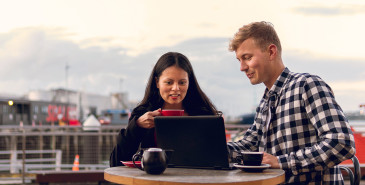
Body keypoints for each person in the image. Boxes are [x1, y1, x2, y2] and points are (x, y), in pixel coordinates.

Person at [227, 21, 355, 184]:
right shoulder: (266, 102)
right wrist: (211, 150)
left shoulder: (307, 85)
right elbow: (249, 146)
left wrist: (281, 163)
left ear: (271, 52)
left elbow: (342, 143)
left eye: (247, 58)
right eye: (239, 60)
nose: (242, 67)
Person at [110, 52, 220, 167]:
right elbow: (116, 162)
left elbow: (217, 157)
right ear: (157, 82)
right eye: (169, 82)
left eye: (182, 82)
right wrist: (137, 126)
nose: (176, 88)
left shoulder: (203, 113)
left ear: (189, 83)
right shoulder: (143, 113)